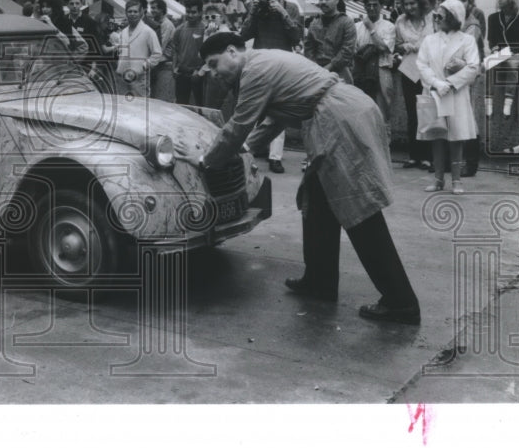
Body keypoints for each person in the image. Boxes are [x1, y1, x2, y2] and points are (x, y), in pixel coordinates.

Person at [176, 32, 421, 325]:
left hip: (338, 117)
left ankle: (401, 302)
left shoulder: (255, 70)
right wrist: (242, 153)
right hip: (340, 112)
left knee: (360, 210)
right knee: (317, 200)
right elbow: (271, 123)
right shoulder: (261, 62)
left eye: (215, 65)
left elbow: (239, 125)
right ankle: (320, 280)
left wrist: (205, 160)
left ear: (232, 51)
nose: (214, 74)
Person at [240, 0, 303, 173]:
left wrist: (283, 14)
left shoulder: (291, 8)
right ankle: (253, 152)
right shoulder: (258, 8)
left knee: (279, 111)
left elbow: (296, 37)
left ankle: (275, 157)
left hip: (282, 65)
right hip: (260, 63)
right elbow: (243, 34)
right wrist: (253, 12)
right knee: (256, 110)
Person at [416, 0, 481, 194]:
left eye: (441, 15)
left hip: (456, 94)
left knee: (456, 137)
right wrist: (436, 83)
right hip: (435, 92)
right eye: (436, 15)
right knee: (437, 135)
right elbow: (422, 65)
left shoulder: (466, 40)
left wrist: (451, 83)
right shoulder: (429, 40)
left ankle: (457, 180)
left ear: (453, 17)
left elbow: (473, 67)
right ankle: (438, 179)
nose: (437, 18)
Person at [394, 0, 435, 170]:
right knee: (412, 113)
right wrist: (404, 46)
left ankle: (428, 156)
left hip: (428, 70)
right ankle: (413, 155)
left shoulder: (431, 18)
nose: (409, 7)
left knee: (427, 111)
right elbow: (396, 44)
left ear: (420, 2)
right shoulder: (400, 21)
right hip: (409, 69)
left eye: (412, 3)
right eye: (406, 4)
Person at [452, 0, 486, 176]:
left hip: (470, 76)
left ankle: (471, 163)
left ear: (469, 2)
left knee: (470, 118)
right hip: (457, 75)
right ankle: (457, 162)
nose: (460, 3)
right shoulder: (452, 21)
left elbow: (463, 50)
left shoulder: (472, 24)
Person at [353, 0, 396, 142]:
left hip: (381, 70)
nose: (372, 8)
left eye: (375, 5)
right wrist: (368, 48)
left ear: (381, 6)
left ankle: (385, 148)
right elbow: (354, 49)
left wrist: (371, 29)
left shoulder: (389, 26)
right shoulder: (357, 26)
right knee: (360, 110)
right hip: (361, 71)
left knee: (383, 111)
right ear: (365, 6)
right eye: (369, 5)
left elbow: (384, 47)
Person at [486, 0, 519, 155]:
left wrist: (509, 51)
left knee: (513, 65)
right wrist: (495, 49)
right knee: (488, 65)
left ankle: (508, 101)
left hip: (515, 55)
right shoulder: (493, 18)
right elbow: (491, 39)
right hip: (500, 55)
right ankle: (490, 100)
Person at [304, 0, 356, 85]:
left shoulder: (346, 23)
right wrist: (316, 69)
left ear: (336, 0)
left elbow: (347, 51)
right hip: (316, 73)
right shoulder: (314, 24)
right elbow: (308, 49)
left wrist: (328, 68)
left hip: (340, 74)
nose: (323, 2)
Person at [112, 0, 161, 97]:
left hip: (139, 78)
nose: (132, 14)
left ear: (141, 12)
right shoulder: (123, 32)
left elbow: (157, 54)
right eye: (130, 11)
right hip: (122, 77)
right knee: (124, 107)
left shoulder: (148, 31)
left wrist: (143, 66)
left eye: (135, 11)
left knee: (140, 107)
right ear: (126, 13)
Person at [164, 0, 206, 106]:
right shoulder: (179, 29)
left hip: (199, 75)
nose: (190, 15)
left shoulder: (205, 29)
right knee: (182, 106)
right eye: (188, 12)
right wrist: (174, 68)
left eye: (194, 12)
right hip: (182, 74)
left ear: (201, 12)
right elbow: (175, 51)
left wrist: (201, 71)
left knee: (201, 105)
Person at [148, 0, 177, 102]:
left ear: (161, 10)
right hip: (159, 55)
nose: (152, 10)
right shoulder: (156, 22)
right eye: (151, 8)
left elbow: (161, 46)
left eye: (155, 8)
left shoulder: (166, 24)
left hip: (165, 56)